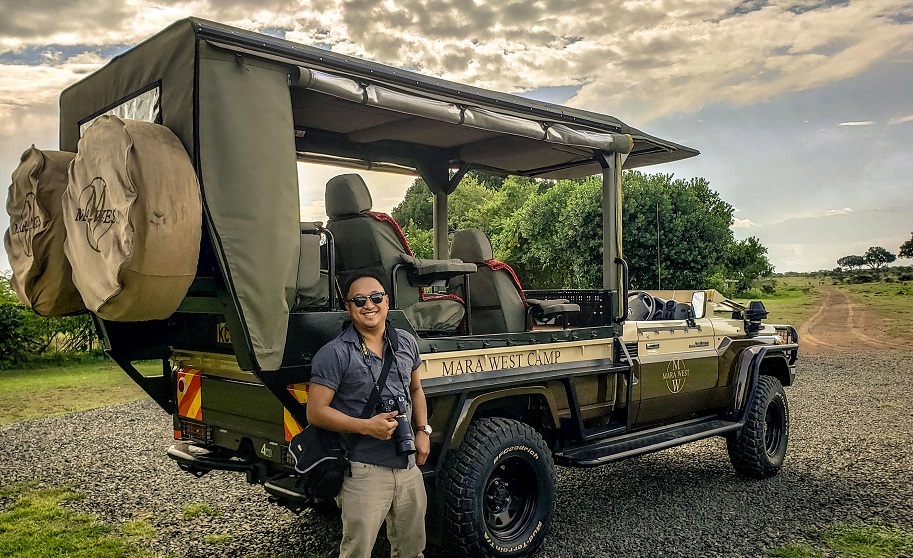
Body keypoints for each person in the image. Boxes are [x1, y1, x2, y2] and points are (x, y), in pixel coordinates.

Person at [306, 272, 430, 558]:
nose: (369, 305)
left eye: (375, 297)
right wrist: (366, 426)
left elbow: (416, 389)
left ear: (387, 301)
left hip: (408, 465)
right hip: (364, 470)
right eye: (359, 300)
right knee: (357, 552)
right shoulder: (334, 353)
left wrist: (423, 431)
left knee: (412, 550)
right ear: (348, 307)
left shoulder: (406, 342)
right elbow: (315, 412)